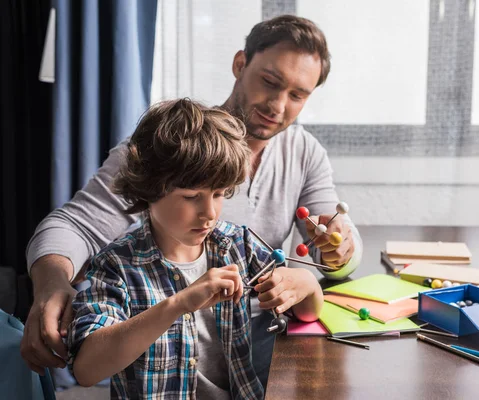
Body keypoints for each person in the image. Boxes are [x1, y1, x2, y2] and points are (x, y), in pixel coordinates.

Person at [22, 14, 363, 386]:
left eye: (298, 95)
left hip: (261, 353)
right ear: (239, 64)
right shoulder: (168, 149)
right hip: (171, 358)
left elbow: (332, 245)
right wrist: (52, 283)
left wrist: (340, 248)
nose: (278, 106)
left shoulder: (304, 153)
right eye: (269, 82)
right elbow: (72, 226)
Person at [67, 99, 324, 399]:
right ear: (149, 189)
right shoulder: (116, 266)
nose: (210, 213)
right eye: (191, 197)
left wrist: (306, 284)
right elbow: (86, 370)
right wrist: (179, 304)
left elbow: (308, 314)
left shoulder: (238, 245)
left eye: (218, 194)